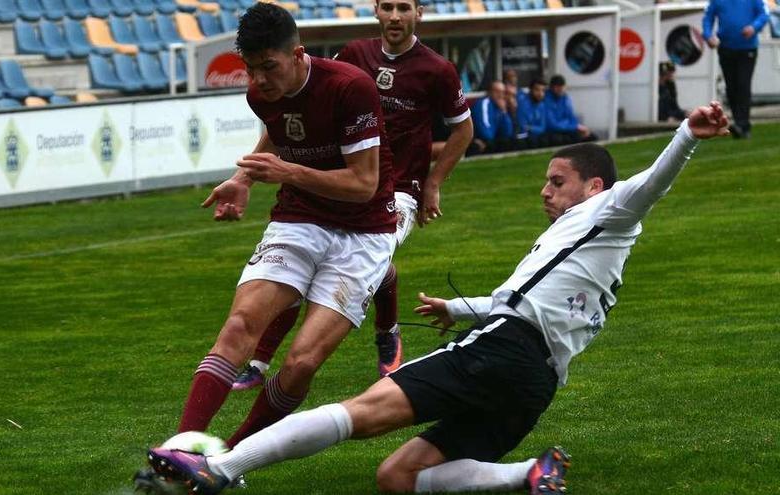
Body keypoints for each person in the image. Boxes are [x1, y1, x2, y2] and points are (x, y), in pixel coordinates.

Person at [141, 100, 731, 494]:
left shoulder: (613, 209)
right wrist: (456, 309)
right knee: (398, 477)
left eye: (557, 181)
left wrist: (687, 133)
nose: (545, 190)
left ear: (595, 186)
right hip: (536, 382)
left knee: (363, 411)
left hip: (502, 352)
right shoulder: (594, 247)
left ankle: (220, 467)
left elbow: (653, 182)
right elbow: (527, 301)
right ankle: (531, 473)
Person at [168, 2, 397, 453]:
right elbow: (280, 130)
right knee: (238, 326)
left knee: (300, 363)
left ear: (297, 55)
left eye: (268, 67)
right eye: (250, 69)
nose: (258, 81)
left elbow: (363, 185)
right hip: (300, 217)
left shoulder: (351, 87)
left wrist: (286, 173)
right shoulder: (260, 93)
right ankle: (179, 449)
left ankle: (230, 456)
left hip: (365, 230)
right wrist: (243, 177)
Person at [231, 0, 473, 390]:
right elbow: (290, 119)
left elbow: (463, 130)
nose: (396, 16)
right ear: (376, 11)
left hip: (399, 189)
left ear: (419, 13)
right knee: (296, 263)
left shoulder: (437, 70)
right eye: (388, 7)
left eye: (404, 7)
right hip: (342, 180)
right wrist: (250, 170)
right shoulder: (353, 55)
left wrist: (433, 183)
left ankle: (386, 331)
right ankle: (259, 363)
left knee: (361, 261)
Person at [702, 0, 769, 139]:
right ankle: (739, 122)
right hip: (726, 48)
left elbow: (763, 14)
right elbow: (708, 17)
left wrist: (753, 27)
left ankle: (742, 124)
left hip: (747, 48)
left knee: (743, 84)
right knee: (731, 87)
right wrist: (708, 35)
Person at [544, 74, 595, 144]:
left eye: (562, 87)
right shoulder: (546, 100)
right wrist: (574, 126)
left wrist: (577, 126)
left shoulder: (565, 97)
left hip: (567, 129)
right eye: (557, 87)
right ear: (551, 87)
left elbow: (572, 117)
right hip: (553, 131)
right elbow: (552, 125)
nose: (560, 89)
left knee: (591, 136)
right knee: (563, 140)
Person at [470, 80, 514, 154]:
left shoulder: (500, 107)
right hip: (477, 140)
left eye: (502, 92)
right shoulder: (484, 103)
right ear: (490, 92)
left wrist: (504, 111)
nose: (501, 95)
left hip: (492, 139)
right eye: (497, 92)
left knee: (510, 142)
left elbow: (508, 132)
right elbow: (485, 133)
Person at [517, 78, 549, 148]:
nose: (540, 93)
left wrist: (531, 128)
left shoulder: (542, 105)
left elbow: (543, 127)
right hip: (522, 134)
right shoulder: (523, 104)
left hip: (535, 133)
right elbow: (523, 127)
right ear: (530, 90)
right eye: (537, 90)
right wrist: (532, 129)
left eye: (543, 90)